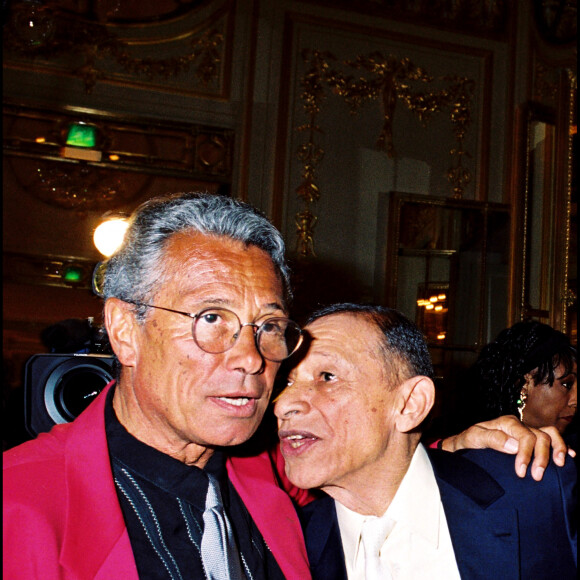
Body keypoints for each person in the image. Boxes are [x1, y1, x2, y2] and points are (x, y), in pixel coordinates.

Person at [2, 193, 571, 579]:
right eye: (211, 319)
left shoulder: (266, 478)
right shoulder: (20, 504)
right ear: (126, 329)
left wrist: (455, 447)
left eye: (269, 328)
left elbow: (377, 469)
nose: (252, 358)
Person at [275, 304, 577, 580]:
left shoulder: (538, 491)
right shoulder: (283, 546)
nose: (283, 404)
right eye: (288, 381)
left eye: (327, 376)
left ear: (410, 404)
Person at [461, 320, 577, 436]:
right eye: (567, 385)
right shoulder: (478, 447)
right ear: (523, 385)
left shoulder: (570, 447)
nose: (575, 400)